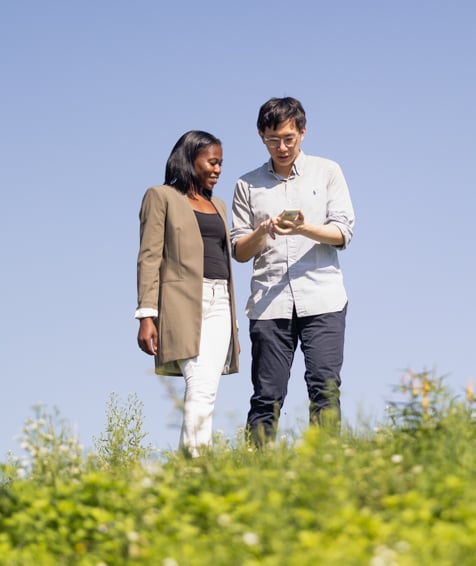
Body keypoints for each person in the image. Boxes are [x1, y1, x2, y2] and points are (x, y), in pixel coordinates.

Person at [231, 97, 354, 444]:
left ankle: (324, 465)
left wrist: (303, 228)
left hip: (323, 299)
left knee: (324, 389)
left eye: (288, 138)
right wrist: (262, 230)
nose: (281, 147)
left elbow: (343, 232)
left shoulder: (328, 171)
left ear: (302, 132)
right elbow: (239, 251)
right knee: (266, 395)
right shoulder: (246, 185)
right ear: (260, 136)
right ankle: (256, 469)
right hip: (269, 303)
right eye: (272, 139)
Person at [136, 130, 239, 457]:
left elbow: (226, 256)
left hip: (221, 300)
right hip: (182, 304)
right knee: (200, 383)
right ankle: (197, 462)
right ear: (190, 158)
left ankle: (190, 464)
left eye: (221, 163)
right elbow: (149, 256)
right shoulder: (160, 196)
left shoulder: (219, 205)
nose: (218, 169)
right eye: (212, 161)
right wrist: (146, 314)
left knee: (206, 386)